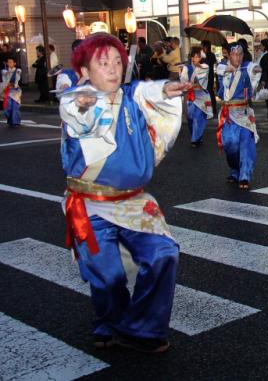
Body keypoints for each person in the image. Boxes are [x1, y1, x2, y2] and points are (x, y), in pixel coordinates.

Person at [58, 33, 188, 353]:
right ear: (85, 71)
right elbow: (72, 105)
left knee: (163, 253)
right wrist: (81, 103)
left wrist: (165, 89)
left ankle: (139, 327)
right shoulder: (78, 97)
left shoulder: (131, 96)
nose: (114, 69)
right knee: (108, 276)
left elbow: (147, 90)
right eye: (103, 64)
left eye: (118, 62)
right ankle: (109, 320)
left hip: (132, 202)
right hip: (90, 204)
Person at [216, 44, 261, 190]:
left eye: (240, 54)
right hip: (229, 114)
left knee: (246, 144)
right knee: (230, 144)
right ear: (229, 56)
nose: (238, 57)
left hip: (244, 114)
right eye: (234, 54)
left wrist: (255, 71)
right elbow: (219, 74)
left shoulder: (246, 68)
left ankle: (245, 175)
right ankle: (235, 170)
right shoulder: (224, 69)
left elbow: (253, 70)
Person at [180, 46, 212, 147]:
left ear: (201, 57)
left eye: (197, 56)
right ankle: (197, 136)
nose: (195, 59)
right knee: (190, 118)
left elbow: (203, 83)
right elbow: (183, 82)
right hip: (191, 95)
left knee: (199, 117)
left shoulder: (205, 66)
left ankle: (195, 139)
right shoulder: (187, 68)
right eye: (193, 56)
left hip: (201, 96)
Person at [2, 56, 22, 127]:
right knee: (7, 107)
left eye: (11, 62)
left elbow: (17, 79)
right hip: (7, 91)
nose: (9, 63)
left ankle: (16, 122)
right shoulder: (4, 71)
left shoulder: (17, 71)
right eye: (8, 62)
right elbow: (4, 80)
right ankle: (10, 120)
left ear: (14, 63)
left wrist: (14, 84)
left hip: (15, 91)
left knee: (15, 106)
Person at [201, 40, 218, 117]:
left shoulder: (205, 56)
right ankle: (213, 110)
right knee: (211, 93)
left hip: (205, 76)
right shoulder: (212, 55)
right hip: (210, 75)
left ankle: (209, 111)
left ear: (205, 46)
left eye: (202, 46)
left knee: (207, 93)